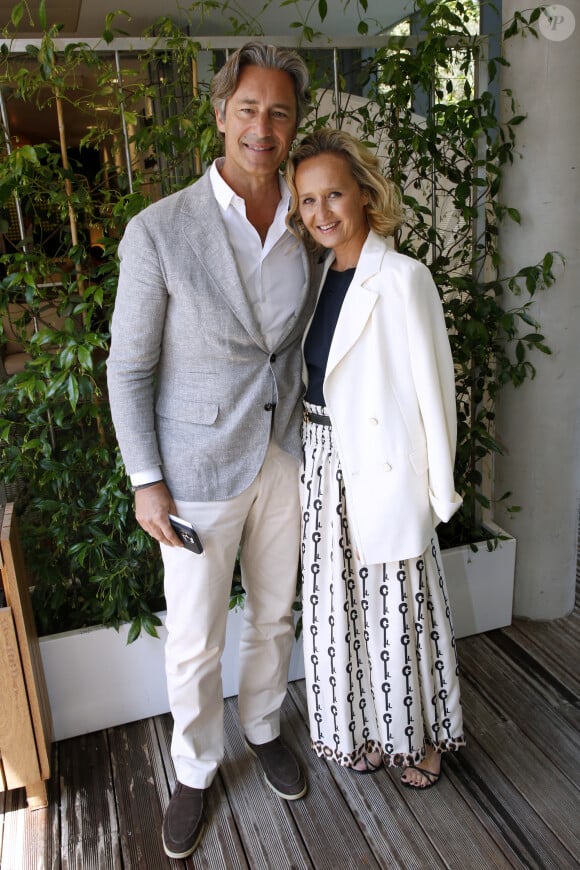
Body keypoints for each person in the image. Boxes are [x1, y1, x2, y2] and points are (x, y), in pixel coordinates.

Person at [107, 43, 317, 859]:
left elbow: (295, 347)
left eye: (279, 112)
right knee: (195, 635)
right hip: (194, 472)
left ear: (295, 123)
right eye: (249, 109)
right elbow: (130, 367)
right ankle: (194, 769)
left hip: (283, 453)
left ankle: (263, 725)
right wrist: (145, 481)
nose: (262, 127)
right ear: (220, 112)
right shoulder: (159, 230)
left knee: (275, 613)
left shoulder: (307, 217)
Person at [285, 128, 465, 789]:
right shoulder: (313, 280)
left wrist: (437, 492)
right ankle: (360, 728)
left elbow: (435, 392)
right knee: (338, 608)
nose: (322, 212)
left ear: (364, 194)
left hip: (384, 465)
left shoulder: (403, 278)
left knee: (394, 605)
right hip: (324, 459)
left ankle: (416, 740)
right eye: (307, 200)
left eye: (334, 193)